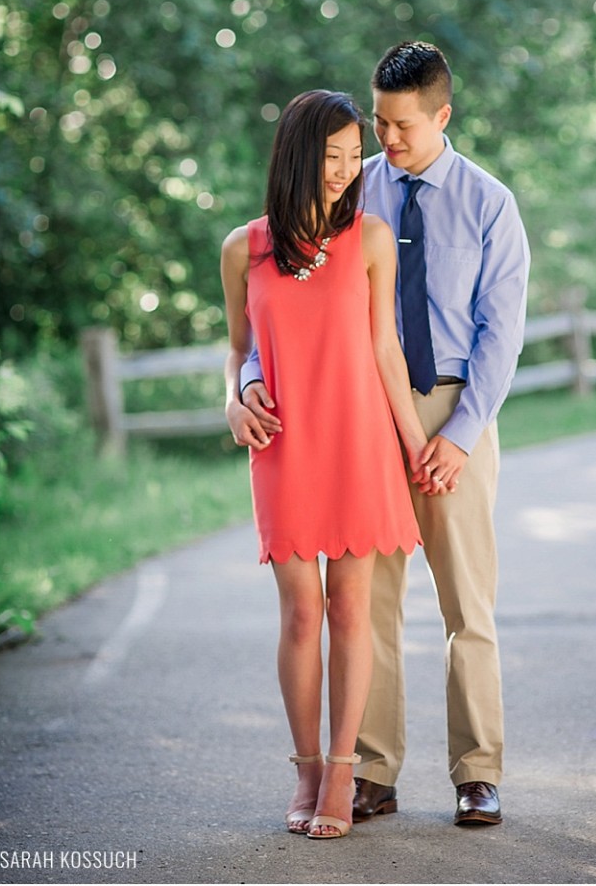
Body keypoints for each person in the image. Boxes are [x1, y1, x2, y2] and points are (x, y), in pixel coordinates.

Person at [239, 43, 530, 826]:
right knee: (366, 606)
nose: (384, 141)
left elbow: (500, 334)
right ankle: (369, 770)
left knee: (466, 601)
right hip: (357, 421)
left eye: (401, 125)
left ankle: (477, 769)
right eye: (378, 122)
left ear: (442, 115)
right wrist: (244, 384)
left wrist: (461, 434)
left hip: (448, 409)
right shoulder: (345, 188)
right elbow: (274, 308)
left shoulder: (488, 202)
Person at [221, 88, 442, 841]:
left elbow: (386, 348)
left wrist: (415, 443)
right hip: (283, 443)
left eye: (357, 154)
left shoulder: (372, 237)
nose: (348, 169)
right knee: (298, 611)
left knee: (350, 609)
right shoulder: (243, 248)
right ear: (295, 155)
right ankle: (307, 767)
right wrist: (235, 395)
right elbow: (238, 349)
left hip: (359, 442)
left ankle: (344, 771)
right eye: (333, 155)